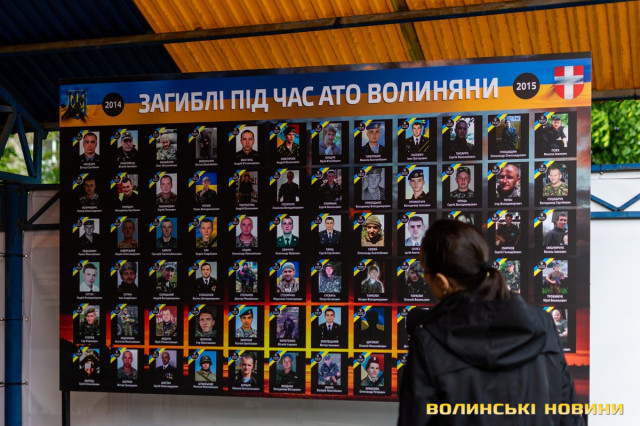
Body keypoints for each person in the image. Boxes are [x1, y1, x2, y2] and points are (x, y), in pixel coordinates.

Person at [397, 220, 583, 425]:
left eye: (424, 271)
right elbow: (570, 415)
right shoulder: (543, 324)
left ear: (442, 281)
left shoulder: (428, 341)